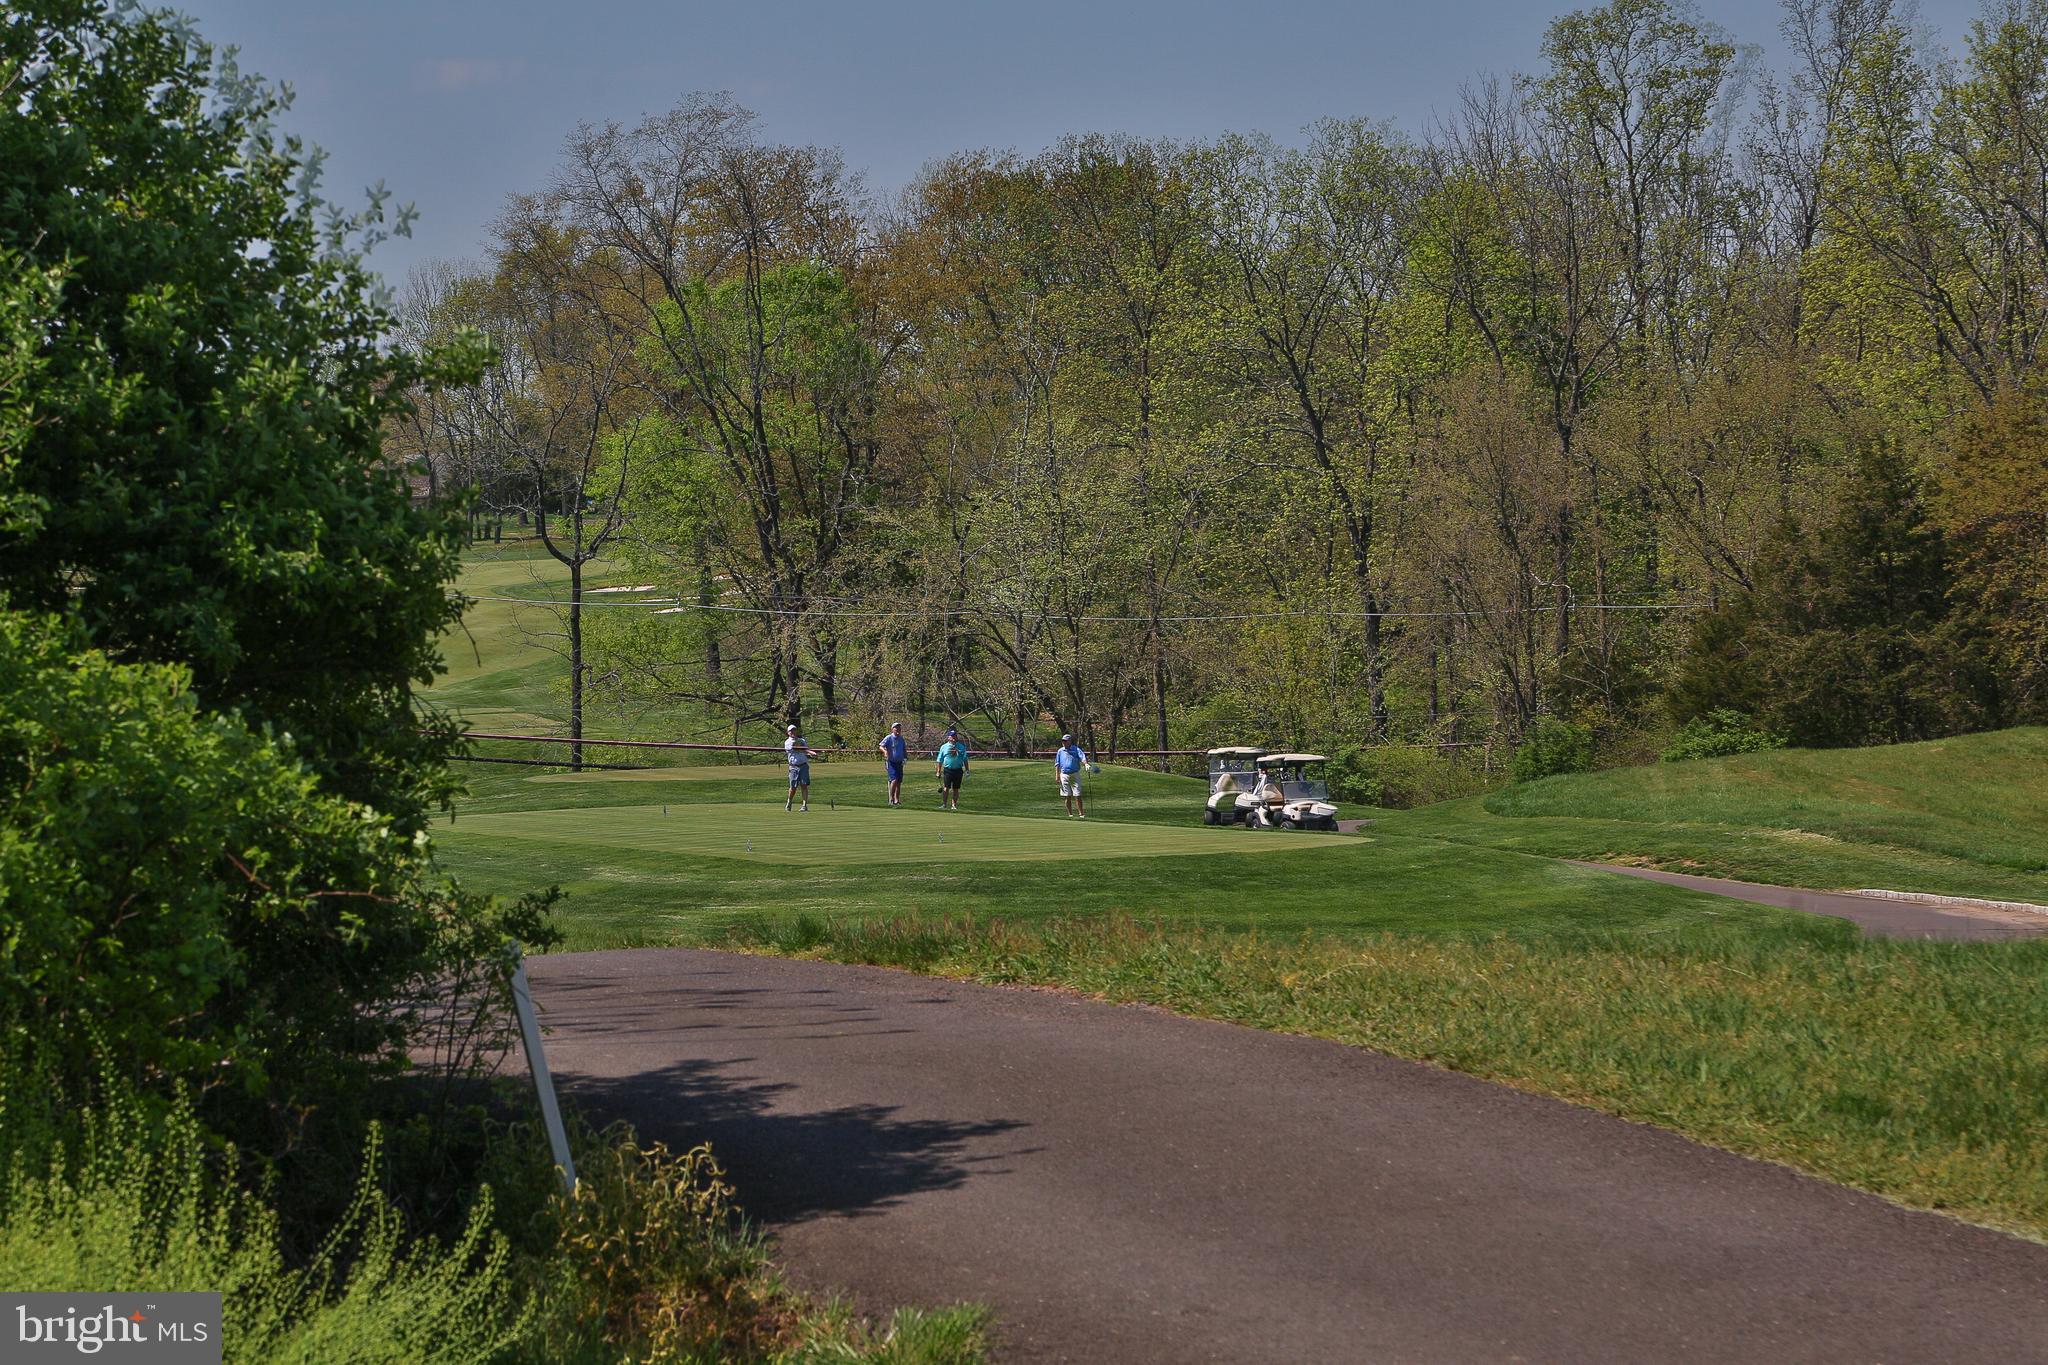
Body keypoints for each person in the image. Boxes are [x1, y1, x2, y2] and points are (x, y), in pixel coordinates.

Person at [784, 723, 822, 812]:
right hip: (794, 767)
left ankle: (804, 805)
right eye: (791, 731)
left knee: (804, 785)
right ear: (788, 732)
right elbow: (797, 748)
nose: (793, 732)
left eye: (794, 730)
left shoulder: (802, 740)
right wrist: (810, 752)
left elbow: (805, 751)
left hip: (803, 766)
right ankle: (789, 801)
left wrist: (810, 754)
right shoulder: (788, 742)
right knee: (793, 787)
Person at [1054, 733, 1090, 819]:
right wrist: (1057, 776)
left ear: (1070, 741)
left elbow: (1082, 757)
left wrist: (1086, 764)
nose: (1064, 743)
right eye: (1063, 741)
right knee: (1067, 795)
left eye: (1065, 741)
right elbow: (1057, 764)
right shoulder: (1060, 751)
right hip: (1064, 774)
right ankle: (1070, 815)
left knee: (1077, 794)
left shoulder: (1076, 749)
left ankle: (1081, 814)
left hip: (1075, 773)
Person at [934, 727, 969, 810]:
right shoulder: (944, 747)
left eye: (955, 736)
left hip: (958, 770)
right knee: (946, 787)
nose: (954, 738)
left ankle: (954, 805)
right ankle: (944, 804)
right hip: (948, 770)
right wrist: (938, 771)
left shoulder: (961, 746)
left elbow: (965, 759)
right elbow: (940, 760)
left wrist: (967, 770)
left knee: (956, 788)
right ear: (948, 737)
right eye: (952, 736)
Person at [877, 721, 908, 806]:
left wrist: (905, 758)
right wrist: (885, 752)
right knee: (894, 780)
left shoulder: (901, 739)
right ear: (892, 729)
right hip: (891, 762)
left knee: (899, 782)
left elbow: (904, 749)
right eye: (896, 728)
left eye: (899, 728)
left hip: (899, 762)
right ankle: (891, 799)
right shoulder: (889, 738)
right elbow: (881, 746)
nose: (898, 729)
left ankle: (896, 800)